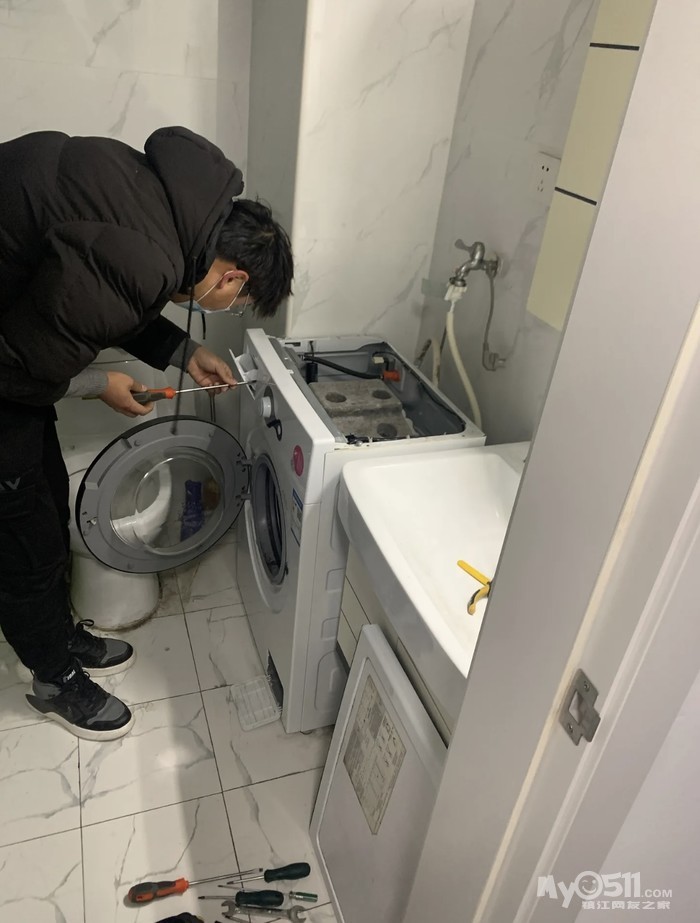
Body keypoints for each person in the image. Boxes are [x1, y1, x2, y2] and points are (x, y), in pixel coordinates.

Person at [0, 126, 293, 741]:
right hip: (9, 370)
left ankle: (58, 635)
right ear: (232, 278)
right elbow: (22, 367)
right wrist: (97, 384)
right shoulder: (149, 254)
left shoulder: (164, 205)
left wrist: (186, 352)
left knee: (47, 498)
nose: (232, 308)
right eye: (241, 302)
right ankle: (53, 679)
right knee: (24, 536)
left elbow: (106, 288)